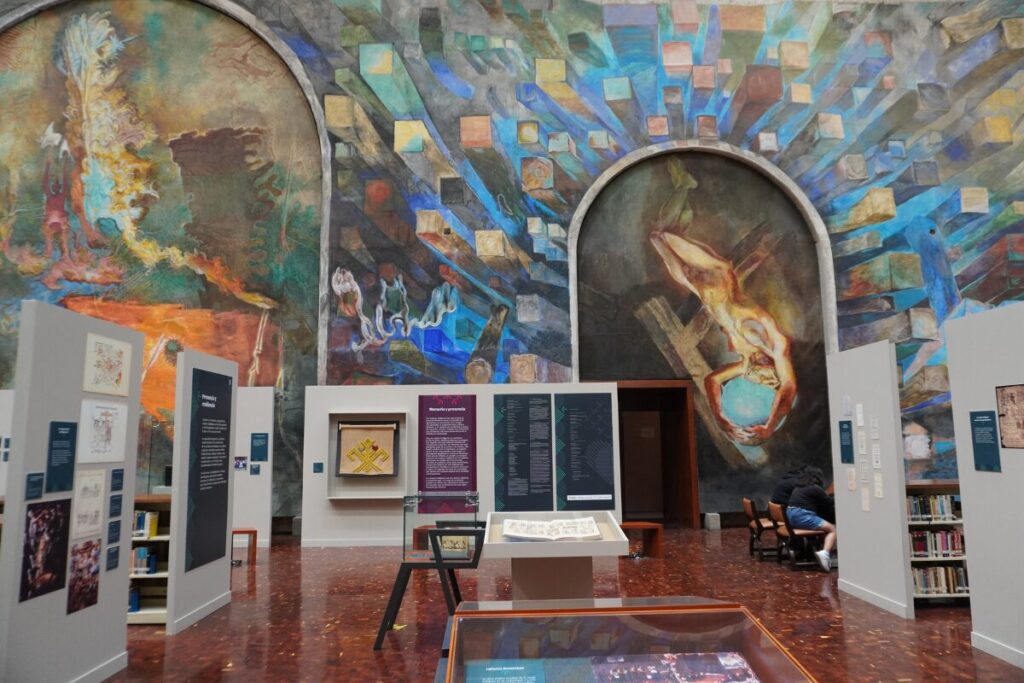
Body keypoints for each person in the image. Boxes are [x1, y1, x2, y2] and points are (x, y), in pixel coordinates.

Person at [650, 229, 796, 447]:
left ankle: (659, 240)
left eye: (756, 379)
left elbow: (713, 380)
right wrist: (770, 426)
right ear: (774, 380)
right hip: (724, 285)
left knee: (688, 276)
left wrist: (720, 418)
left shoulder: (746, 364)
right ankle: (664, 235)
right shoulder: (777, 345)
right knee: (718, 268)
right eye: (767, 380)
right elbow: (789, 389)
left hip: (712, 301)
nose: (759, 376)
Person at [786, 467, 836, 571]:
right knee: (832, 529)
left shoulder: (798, 487)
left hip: (791, 517)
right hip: (802, 516)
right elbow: (829, 502)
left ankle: (818, 549)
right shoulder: (815, 488)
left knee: (823, 526)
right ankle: (825, 553)